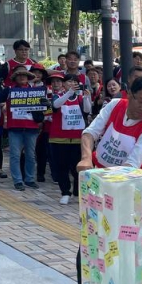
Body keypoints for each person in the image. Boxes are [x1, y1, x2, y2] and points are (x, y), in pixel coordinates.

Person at [77, 77, 142, 172]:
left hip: (131, 177)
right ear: (129, 94)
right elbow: (90, 133)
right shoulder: (115, 104)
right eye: (141, 102)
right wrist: (86, 159)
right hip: (99, 169)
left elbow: (132, 164)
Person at [0, 65, 42, 191]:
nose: (22, 77)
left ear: (28, 77)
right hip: (14, 128)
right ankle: (18, 180)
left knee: (31, 155)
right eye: (19, 75)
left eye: (24, 75)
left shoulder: (36, 90)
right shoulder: (9, 90)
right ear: (15, 78)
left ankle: (30, 179)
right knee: (15, 155)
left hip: (31, 127)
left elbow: (44, 107)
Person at [49, 73, 91, 204]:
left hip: (78, 139)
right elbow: (56, 105)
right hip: (59, 139)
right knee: (61, 167)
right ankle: (65, 192)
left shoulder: (80, 97)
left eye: (74, 82)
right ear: (64, 84)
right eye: (69, 82)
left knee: (77, 167)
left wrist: (86, 97)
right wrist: (68, 93)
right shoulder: (58, 96)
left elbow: (87, 110)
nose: (72, 84)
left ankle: (78, 192)